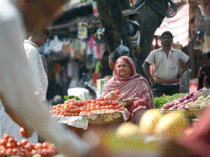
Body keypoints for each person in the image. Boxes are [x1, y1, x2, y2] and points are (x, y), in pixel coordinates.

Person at [0, 0, 90, 156]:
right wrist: (80, 150)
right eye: (47, 13)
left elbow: (9, 95)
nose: (44, 23)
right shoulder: (8, 20)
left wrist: (24, 123)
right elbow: (24, 97)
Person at [101, 56, 154, 123]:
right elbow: (101, 100)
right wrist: (109, 96)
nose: (121, 68)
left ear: (131, 68)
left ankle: (140, 131)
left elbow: (147, 97)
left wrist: (134, 100)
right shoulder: (112, 82)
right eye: (119, 66)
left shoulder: (139, 81)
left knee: (139, 106)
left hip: (133, 108)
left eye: (124, 66)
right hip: (116, 109)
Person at [142, 31, 191, 97]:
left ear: (172, 40)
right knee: (155, 103)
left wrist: (182, 71)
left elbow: (189, 61)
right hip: (158, 84)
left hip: (173, 85)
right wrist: (151, 79)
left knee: (173, 105)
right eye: (164, 38)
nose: (166, 39)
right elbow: (144, 65)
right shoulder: (155, 53)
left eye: (168, 38)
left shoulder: (177, 52)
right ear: (161, 40)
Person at [24, 30, 49, 102]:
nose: (43, 42)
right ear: (38, 35)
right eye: (43, 39)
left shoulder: (28, 48)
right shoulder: (31, 49)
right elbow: (34, 75)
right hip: (33, 99)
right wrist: (42, 100)